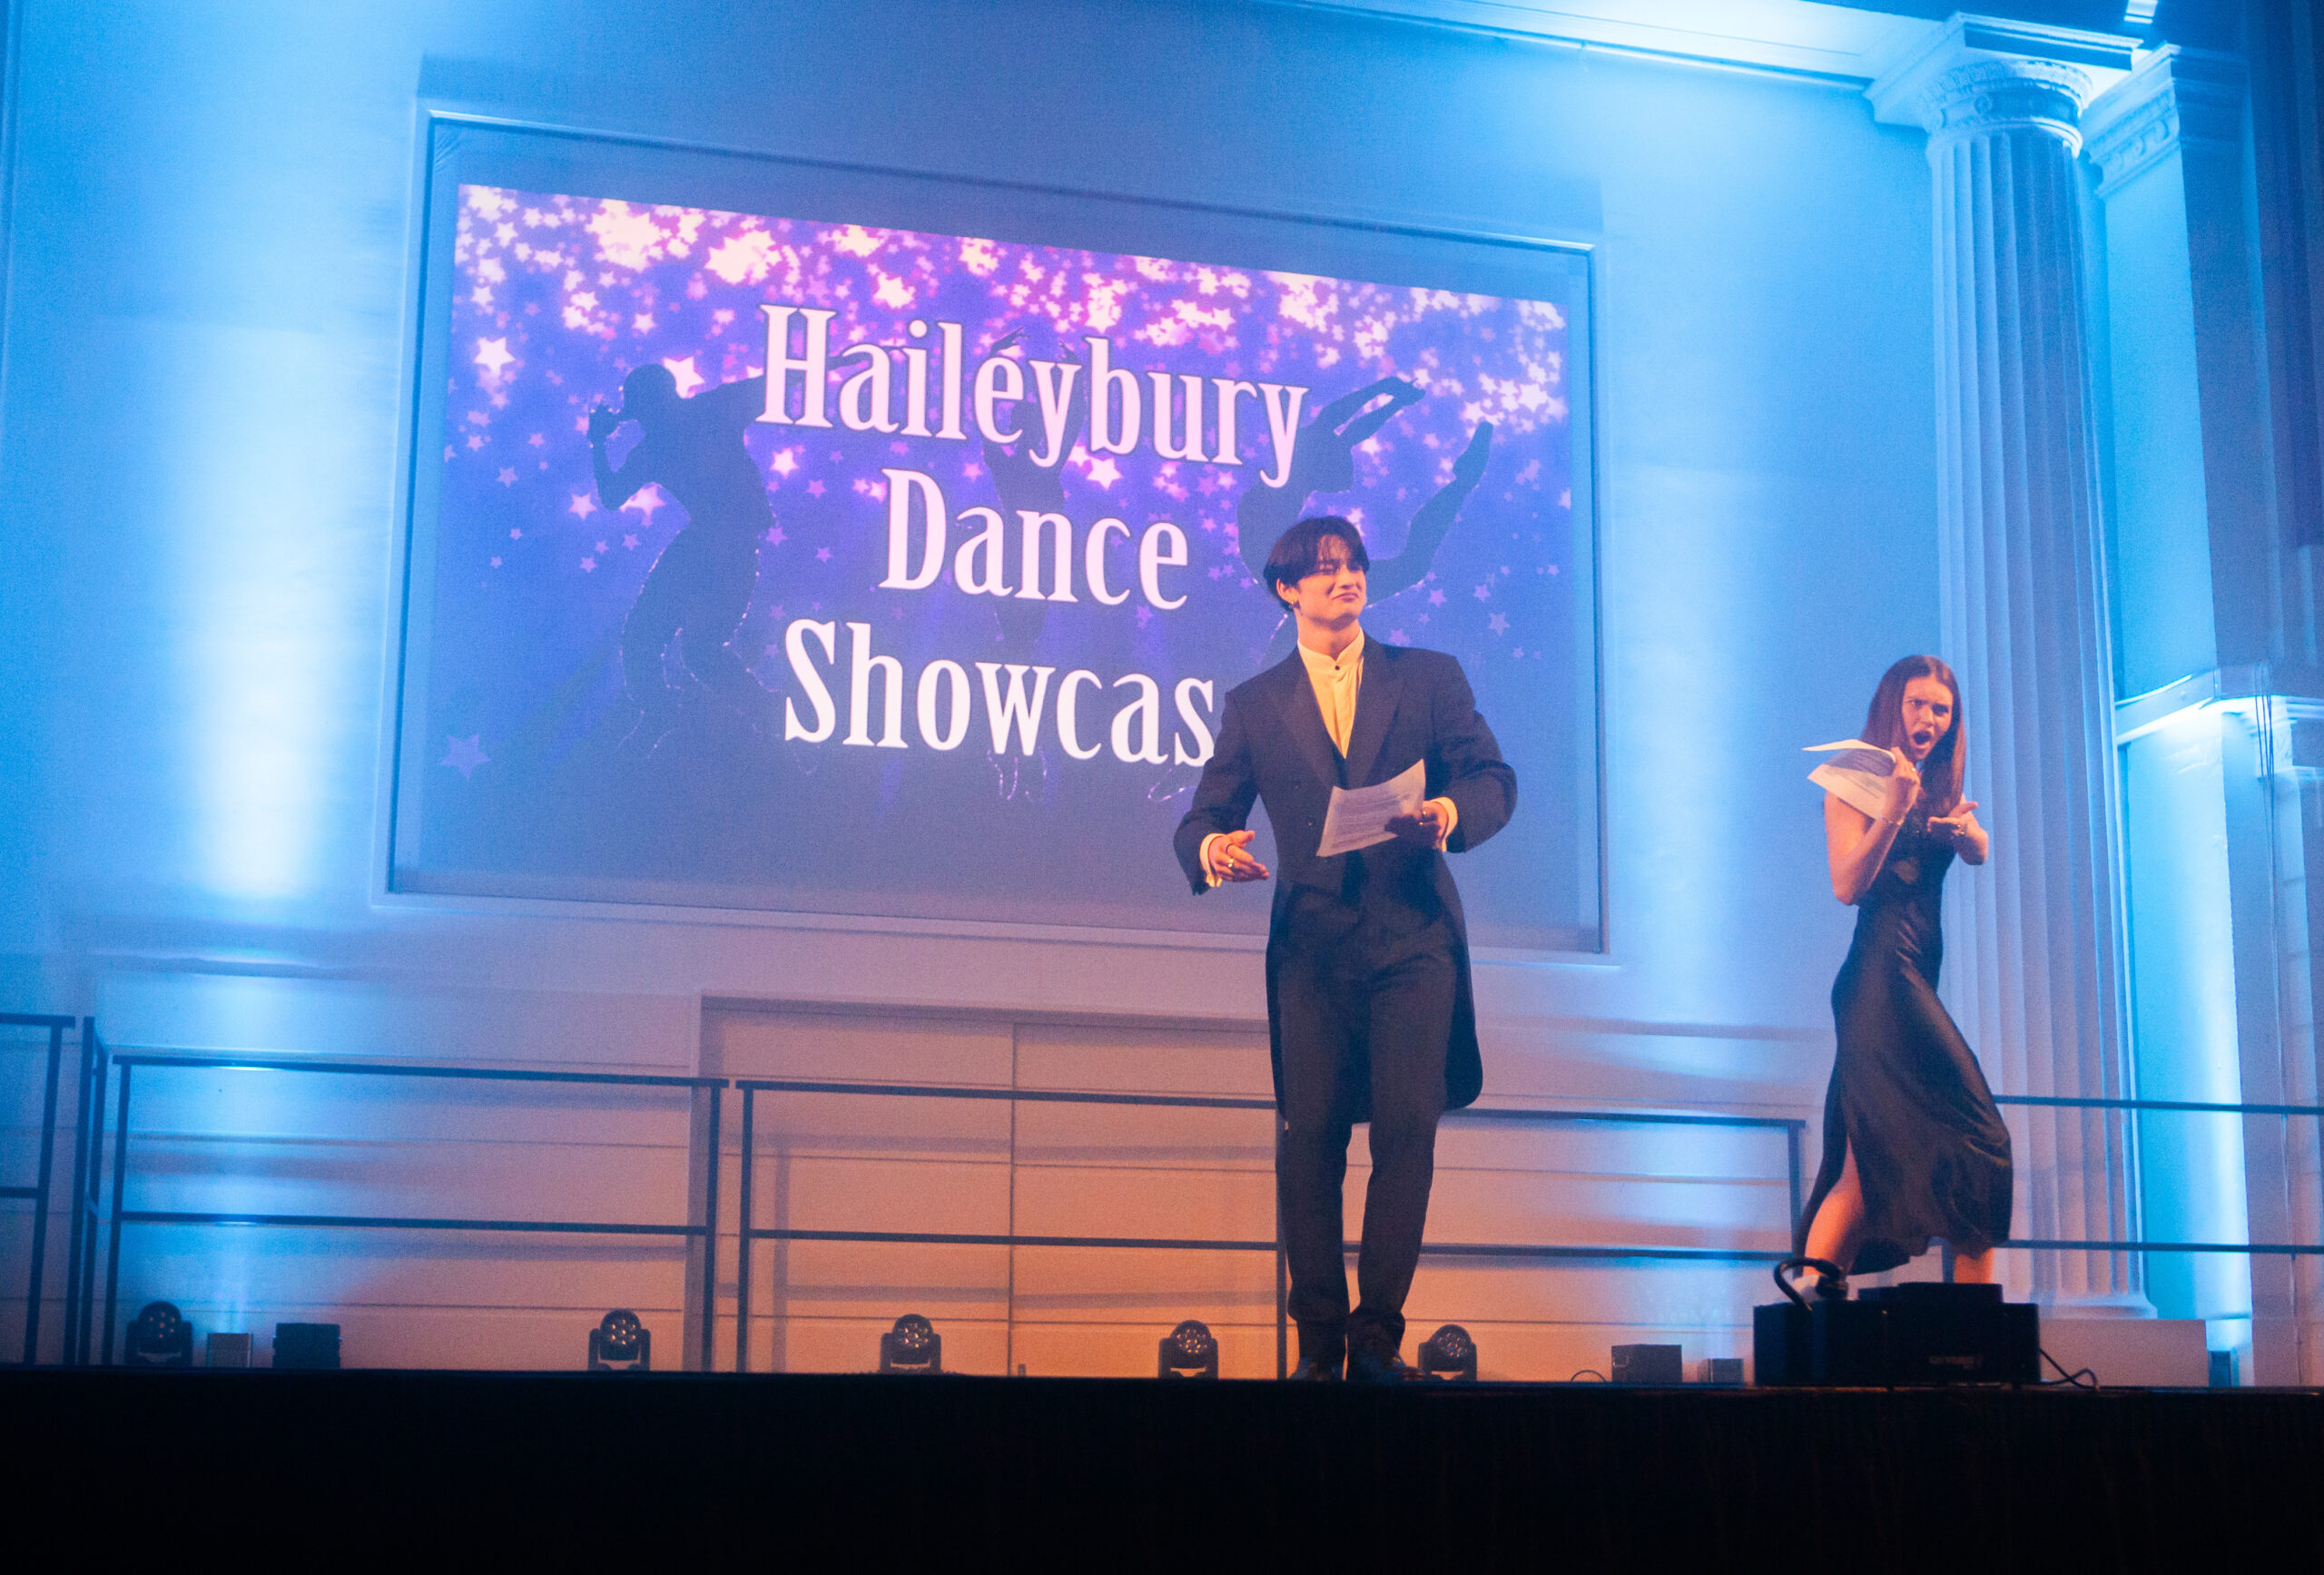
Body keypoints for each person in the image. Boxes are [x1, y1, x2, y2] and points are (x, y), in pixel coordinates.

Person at [1174, 516, 1516, 1380]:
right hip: (1314, 951)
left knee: (1407, 1130)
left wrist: (1448, 813)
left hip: (1413, 940)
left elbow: (1491, 778)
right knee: (1314, 1137)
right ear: (1287, 589)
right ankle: (1320, 1344)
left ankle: (1376, 1340)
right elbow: (1204, 814)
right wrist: (1212, 849)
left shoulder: (1428, 677)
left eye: (1354, 564)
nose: (1346, 578)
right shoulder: (1255, 703)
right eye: (1324, 569)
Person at [1792, 655, 2012, 1299]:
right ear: (1894, 705)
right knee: (1982, 1140)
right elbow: (1846, 885)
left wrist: (1968, 836)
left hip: (1911, 976)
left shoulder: (1937, 787)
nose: (1929, 718)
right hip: (1881, 983)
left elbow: (1979, 851)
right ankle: (1976, 1324)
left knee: (1860, 1174)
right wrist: (1892, 810)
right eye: (1918, 704)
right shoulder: (1853, 781)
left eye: (1942, 709)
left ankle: (1808, 1312)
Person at [587, 363, 779, 756]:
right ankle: (671, 711)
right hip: (711, 543)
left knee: (692, 648)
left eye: (640, 408)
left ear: (658, 400)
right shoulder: (667, 437)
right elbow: (611, 497)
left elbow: (779, 380)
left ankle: (769, 716)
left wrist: (599, 443)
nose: (640, 419)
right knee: (659, 640)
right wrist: (599, 444)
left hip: (727, 545)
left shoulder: (711, 410)